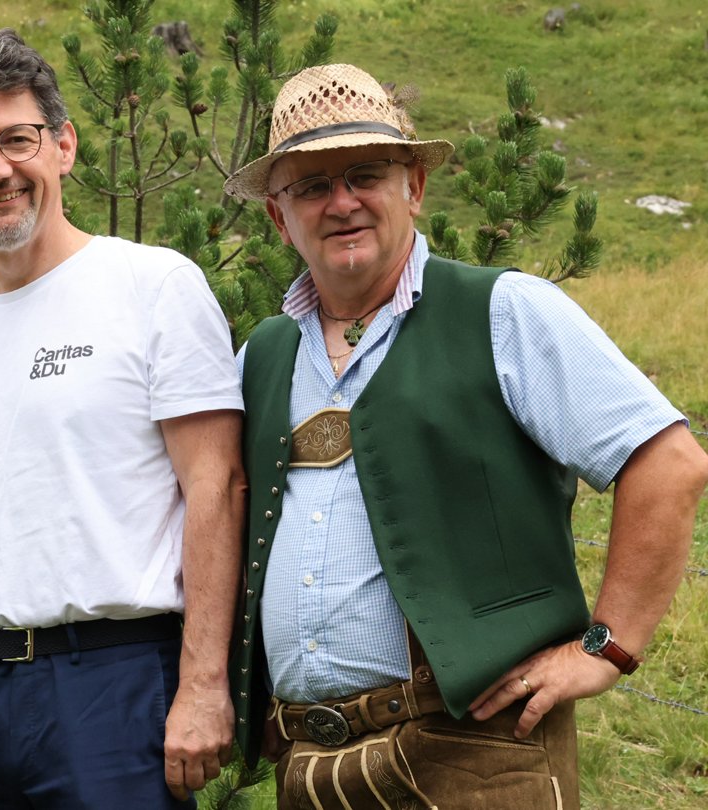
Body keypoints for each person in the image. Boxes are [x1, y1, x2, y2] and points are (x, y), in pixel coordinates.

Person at [223, 63, 708, 809]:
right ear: (278, 218)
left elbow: (669, 463)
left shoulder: (505, 312)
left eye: (365, 174)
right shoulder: (263, 355)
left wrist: (608, 648)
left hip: (478, 752)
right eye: (311, 187)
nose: (341, 202)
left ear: (413, 186)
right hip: (311, 765)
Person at [0, 29, 246, 809]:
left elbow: (217, 485)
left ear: (63, 145)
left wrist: (203, 683)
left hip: (113, 680)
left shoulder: (153, 285)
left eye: (16, 140)